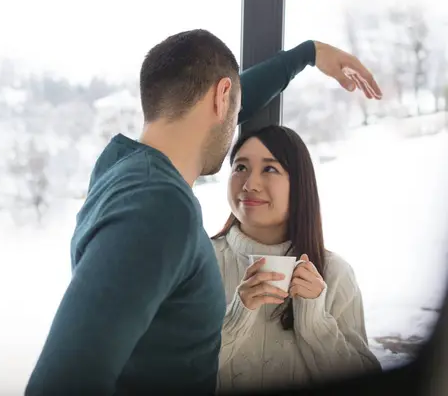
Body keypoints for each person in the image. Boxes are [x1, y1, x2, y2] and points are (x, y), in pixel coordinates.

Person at [24, 29, 381, 396]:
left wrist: (308, 54)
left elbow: (225, 106)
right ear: (222, 95)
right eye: (241, 166)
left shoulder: (120, 167)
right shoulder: (157, 206)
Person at [212, 125, 382, 393]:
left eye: (269, 169)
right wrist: (237, 316)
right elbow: (171, 374)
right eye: (240, 167)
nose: (249, 184)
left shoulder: (335, 273)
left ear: (300, 184)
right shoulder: (199, 262)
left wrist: (314, 320)